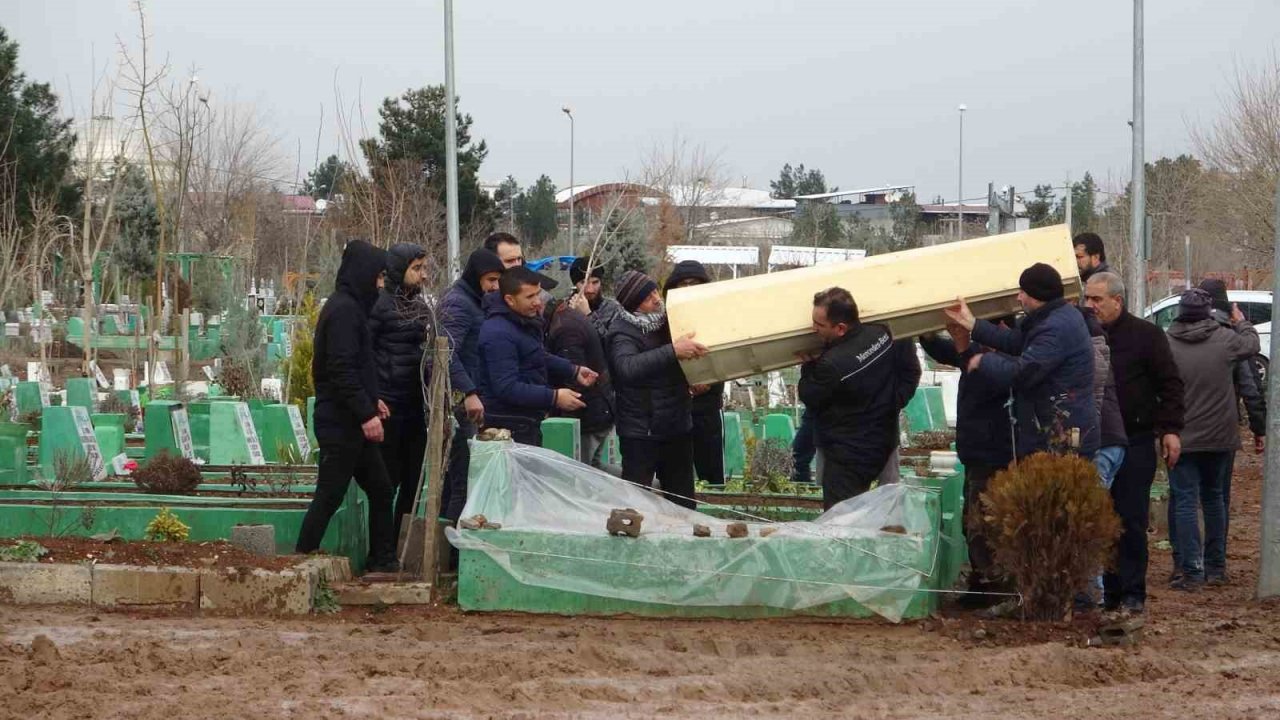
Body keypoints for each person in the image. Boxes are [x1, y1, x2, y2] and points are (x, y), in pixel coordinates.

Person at [1083, 271, 1185, 614]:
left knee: (1130, 518)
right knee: (1100, 519)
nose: (1090, 305)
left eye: (1097, 300)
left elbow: (1170, 385)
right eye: (1087, 299)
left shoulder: (1146, 336)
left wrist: (1170, 429)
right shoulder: (1081, 334)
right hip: (1095, 441)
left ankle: (1131, 593)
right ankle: (1108, 593)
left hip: (1136, 440)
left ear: (1117, 301)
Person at [296, 239, 398, 572]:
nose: (381, 284)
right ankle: (300, 561)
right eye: (378, 276)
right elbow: (339, 370)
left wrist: (373, 400)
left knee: (381, 489)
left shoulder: (351, 308)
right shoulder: (343, 311)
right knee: (330, 494)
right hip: (341, 424)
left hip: (351, 421)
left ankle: (381, 560)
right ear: (364, 274)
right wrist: (365, 412)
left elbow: (353, 366)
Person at [945, 262, 1099, 458]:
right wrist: (973, 324)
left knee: (1058, 488)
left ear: (1036, 296)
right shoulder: (1054, 317)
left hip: (1061, 437)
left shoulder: (1055, 329)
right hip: (1057, 428)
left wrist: (984, 361)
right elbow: (1015, 340)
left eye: (1022, 291)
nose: (1018, 297)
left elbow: (1023, 373)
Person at [1165, 288, 1258, 590]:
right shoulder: (1225, 340)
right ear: (1208, 312)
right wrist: (1240, 320)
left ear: (1179, 312)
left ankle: (1191, 571)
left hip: (1182, 437)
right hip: (1220, 437)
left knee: (1185, 502)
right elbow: (1253, 344)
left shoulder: (1168, 344)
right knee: (1215, 499)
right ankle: (1216, 567)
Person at [919, 318, 1015, 602]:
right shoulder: (979, 353)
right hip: (976, 453)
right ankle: (982, 583)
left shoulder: (1006, 362)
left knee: (984, 525)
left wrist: (964, 346)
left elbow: (972, 362)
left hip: (994, 455)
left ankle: (993, 589)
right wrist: (925, 329)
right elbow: (948, 350)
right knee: (973, 523)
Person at [797, 287, 918, 509]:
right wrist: (894, 403)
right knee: (886, 517)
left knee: (842, 524)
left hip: (846, 457)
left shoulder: (832, 364)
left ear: (841, 328)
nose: (813, 329)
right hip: (884, 442)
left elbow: (809, 395)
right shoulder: (883, 333)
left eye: (819, 325)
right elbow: (911, 372)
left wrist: (807, 368)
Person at [607, 269, 707, 509]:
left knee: (683, 500)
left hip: (677, 425)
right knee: (636, 501)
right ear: (633, 305)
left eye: (654, 290)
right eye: (647, 296)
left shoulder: (667, 321)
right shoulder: (621, 332)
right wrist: (673, 350)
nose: (656, 298)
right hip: (642, 432)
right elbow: (627, 367)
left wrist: (693, 378)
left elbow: (674, 364)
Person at [477, 265, 597, 445]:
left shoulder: (522, 321)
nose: (538, 302)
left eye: (538, 294)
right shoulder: (498, 333)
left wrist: (572, 370)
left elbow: (537, 356)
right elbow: (506, 387)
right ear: (509, 299)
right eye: (530, 297)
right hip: (508, 427)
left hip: (526, 421)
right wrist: (554, 397)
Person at [368, 243, 433, 541]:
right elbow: (364, 353)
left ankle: (399, 544)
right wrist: (373, 397)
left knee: (413, 482)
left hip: (414, 406)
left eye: (423, 268)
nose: (422, 275)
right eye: (416, 268)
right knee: (387, 483)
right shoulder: (378, 307)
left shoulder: (420, 309)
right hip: (388, 406)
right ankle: (381, 549)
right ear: (398, 270)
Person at [439, 248, 506, 519]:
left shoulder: (475, 301)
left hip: (468, 397)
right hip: (458, 402)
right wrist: (468, 391)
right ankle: (454, 551)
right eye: (490, 280)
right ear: (475, 277)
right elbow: (445, 354)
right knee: (462, 480)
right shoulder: (458, 303)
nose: (495, 286)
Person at [546, 258, 616, 470]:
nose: (591, 288)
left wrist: (588, 316)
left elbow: (612, 344)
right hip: (578, 399)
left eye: (596, 282)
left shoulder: (611, 309)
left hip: (603, 395)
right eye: (585, 282)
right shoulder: (565, 309)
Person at [664, 260, 727, 484]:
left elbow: (726, 358)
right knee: (676, 476)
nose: (689, 288)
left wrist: (710, 382)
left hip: (707, 408)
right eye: (684, 284)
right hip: (676, 408)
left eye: (694, 283)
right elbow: (662, 357)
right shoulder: (667, 320)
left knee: (711, 474)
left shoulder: (716, 317)